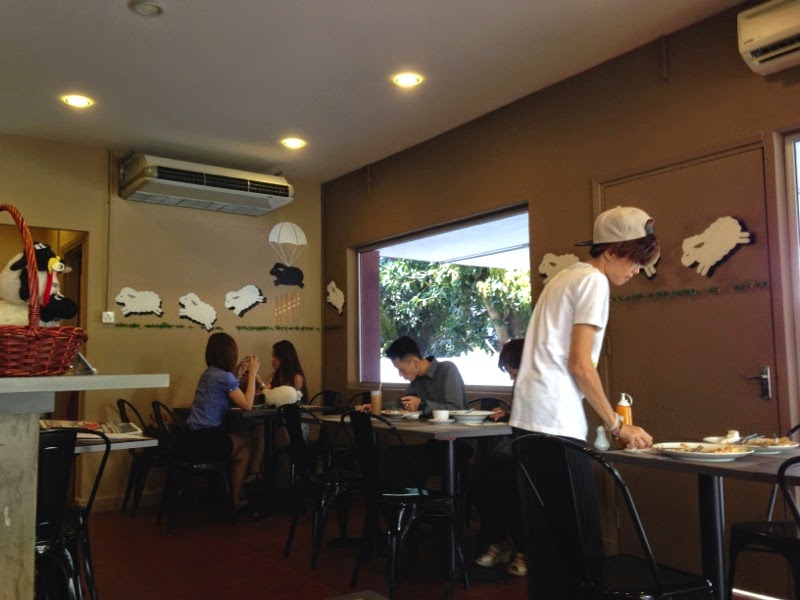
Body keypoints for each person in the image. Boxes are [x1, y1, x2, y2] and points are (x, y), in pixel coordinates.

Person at [510, 205, 659, 596]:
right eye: (635, 259)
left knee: (547, 544)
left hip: (528, 419)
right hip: (555, 421)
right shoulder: (593, 282)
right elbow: (580, 364)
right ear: (609, 251)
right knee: (580, 549)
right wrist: (617, 424)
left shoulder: (565, 276)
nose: (638, 269)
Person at [180, 332, 261, 512]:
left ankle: (233, 499)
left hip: (188, 438)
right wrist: (253, 375)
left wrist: (236, 375)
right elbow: (247, 405)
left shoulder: (208, 374)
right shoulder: (224, 377)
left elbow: (224, 391)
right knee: (247, 439)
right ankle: (248, 485)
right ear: (229, 354)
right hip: (206, 441)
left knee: (242, 454)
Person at [379, 336, 471, 489]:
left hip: (457, 445)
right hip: (434, 444)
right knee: (393, 454)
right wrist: (377, 407)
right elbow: (402, 405)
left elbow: (457, 409)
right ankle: (409, 501)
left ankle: (413, 501)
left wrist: (422, 404)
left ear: (415, 362)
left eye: (401, 369)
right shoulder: (417, 381)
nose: (400, 374)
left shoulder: (447, 369)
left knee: (398, 459)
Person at [471, 338, 527, 576]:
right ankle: (500, 541)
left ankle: (524, 550)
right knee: (477, 477)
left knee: (505, 482)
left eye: (513, 372)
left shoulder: (541, 382)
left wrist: (512, 415)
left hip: (535, 452)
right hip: (516, 449)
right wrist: (507, 413)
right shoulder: (521, 385)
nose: (512, 378)